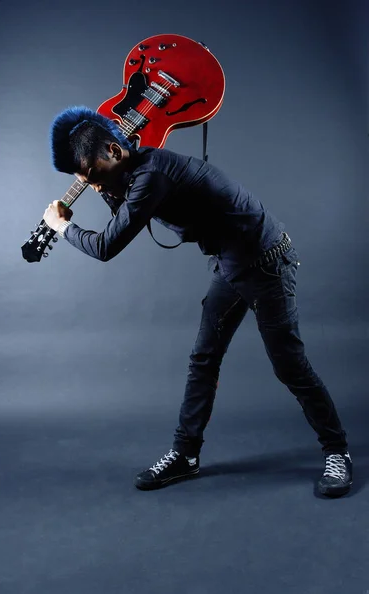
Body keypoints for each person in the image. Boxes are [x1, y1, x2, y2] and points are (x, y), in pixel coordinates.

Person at [44, 105, 352, 498]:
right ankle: (185, 456)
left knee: (290, 366)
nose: (92, 184)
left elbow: (106, 246)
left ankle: (337, 451)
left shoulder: (151, 175)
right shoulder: (135, 173)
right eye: (83, 179)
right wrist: (106, 190)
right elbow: (123, 216)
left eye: (93, 174)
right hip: (229, 263)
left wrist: (63, 227)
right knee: (204, 358)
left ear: (113, 150)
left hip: (266, 263)